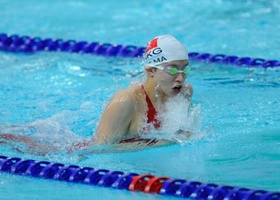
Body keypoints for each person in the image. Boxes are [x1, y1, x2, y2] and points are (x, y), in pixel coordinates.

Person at [92, 35, 193, 146]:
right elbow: (100, 149)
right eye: (172, 70)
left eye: (185, 69)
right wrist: (163, 142)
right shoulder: (126, 102)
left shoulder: (184, 92)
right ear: (151, 71)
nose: (181, 78)